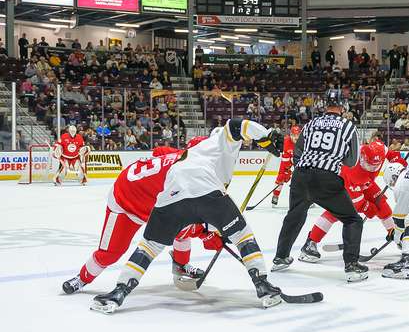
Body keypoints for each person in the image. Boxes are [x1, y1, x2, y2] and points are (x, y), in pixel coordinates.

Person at [89, 119, 285, 313]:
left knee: (149, 246)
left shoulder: (194, 152)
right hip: (206, 187)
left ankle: (118, 292)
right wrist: (266, 136)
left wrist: (216, 229)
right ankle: (263, 285)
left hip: (172, 191)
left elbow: (196, 212)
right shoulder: (221, 140)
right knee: (242, 235)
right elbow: (237, 125)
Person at [61, 138, 215, 294]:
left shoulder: (179, 157)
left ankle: (181, 266)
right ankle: (81, 279)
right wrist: (206, 234)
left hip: (148, 200)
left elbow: (159, 151)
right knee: (110, 254)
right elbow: (182, 220)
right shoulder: (183, 176)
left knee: (182, 230)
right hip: (125, 203)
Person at [272, 90, 367, 282]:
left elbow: (297, 152)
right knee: (352, 220)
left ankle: (280, 257)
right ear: (343, 106)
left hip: (301, 177)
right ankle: (351, 266)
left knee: (295, 215)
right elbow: (352, 160)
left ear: (325, 105)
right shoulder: (348, 126)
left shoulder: (310, 124)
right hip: (326, 178)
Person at [299, 140, 406, 262]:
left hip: (365, 183)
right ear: (362, 157)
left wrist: (397, 162)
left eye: (375, 166)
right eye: (368, 165)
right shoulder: (352, 167)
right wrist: (367, 207)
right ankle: (310, 243)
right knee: (335, 213)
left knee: (381, 203)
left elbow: (391, 154)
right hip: (341, 183)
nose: (372, 168)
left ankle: (395, 234)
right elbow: (355, 201)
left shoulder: (379, 149)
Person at [272, 125, 301, 207]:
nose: (296, 137)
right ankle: (275, 195)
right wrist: (287, 170)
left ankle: (307, 199)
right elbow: (285, 158)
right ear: (290, 135)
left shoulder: (303, 141)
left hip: (298, 160)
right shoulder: (286, 141)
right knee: (281, 176)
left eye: (297, 135)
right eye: (294, 135)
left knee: (303, 178)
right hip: (288, 159)